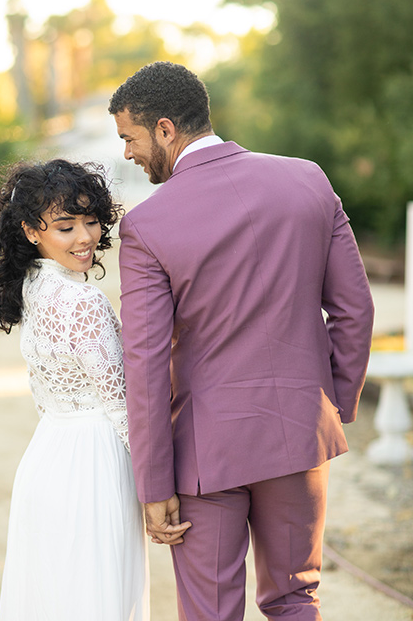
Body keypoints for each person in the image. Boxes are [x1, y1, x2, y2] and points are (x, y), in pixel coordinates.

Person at [108, 62, 374, 621]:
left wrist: (154, 484)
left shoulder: (147, 227)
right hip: (300, 432)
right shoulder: (308, 179)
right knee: (296, 598)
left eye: (129, 138)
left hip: (206, 454)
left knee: (210, 612)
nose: (126, 154)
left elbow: (146, 364)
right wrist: (329, 406)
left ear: (164, 128)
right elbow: (354, 310)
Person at [0, 159, 149, 621]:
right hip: (92, 467)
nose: (84, 238)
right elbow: (122, 408)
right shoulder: (82, 300)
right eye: (65, 226)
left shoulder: (34, 287)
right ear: (31, 231)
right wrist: (158, 485)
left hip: (48, 456)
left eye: (91, 220)